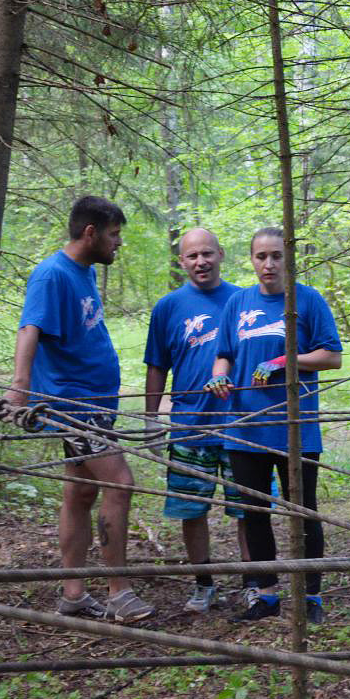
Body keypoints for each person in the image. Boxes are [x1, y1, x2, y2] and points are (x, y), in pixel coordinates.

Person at [7, 196, 154, 622]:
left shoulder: (83, 273)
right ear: (90, 232)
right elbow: (29, 327)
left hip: (95, 402)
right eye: (113, 234)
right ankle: (119, 593)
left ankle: (73, 594)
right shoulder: (52, 274)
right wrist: (20, 387)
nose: (118, 243)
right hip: (75, 406)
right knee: (120, 484)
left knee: (80, 491)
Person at [206, 226, 343, 624]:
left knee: (303, 512)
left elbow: (332, 357)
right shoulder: (237, 302)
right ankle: (265, 595)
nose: (268, 264)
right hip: (243, 425)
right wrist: (219, 375)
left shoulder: (308, 300)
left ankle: (311, 597)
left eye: (277, 256)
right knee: (254, 512)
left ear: (289, 259)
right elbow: (224, 355)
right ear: (250, 260)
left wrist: (286, 361)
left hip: (295, 427)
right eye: (261, 256)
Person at [143, 227, 241, 613]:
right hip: (188, 426)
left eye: (207, 254)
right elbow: (156, 366)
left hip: (240, 426)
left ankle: (255, 582)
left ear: (221, 255)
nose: (200, 262)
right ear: (181, 262)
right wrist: (152, 419)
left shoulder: (243, 299)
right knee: (191, 509)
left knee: (249, 510)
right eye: (192, 256)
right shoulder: (167, 308)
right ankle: (204, 583)